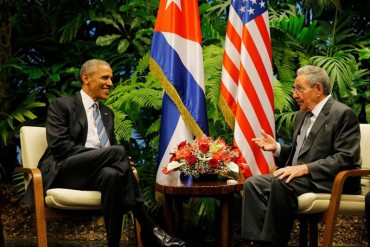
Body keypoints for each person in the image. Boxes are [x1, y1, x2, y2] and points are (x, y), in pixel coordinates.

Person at [23, 59, 186, 247]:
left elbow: (111, 148)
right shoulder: (62, 105)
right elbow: (59, 147)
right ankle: (148, 224)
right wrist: (106, 156)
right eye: (105, 77)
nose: (110, 83)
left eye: (111, 78)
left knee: (111, 174)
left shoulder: (107, 113)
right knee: (118, 152)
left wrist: (110, 158)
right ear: (86, 78)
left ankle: (113, 244)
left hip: (97, 174)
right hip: (65, 170)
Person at [241, 65, 361, 247]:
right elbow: (302, 152)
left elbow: (345, 158)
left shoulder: (342, 114)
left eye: (299, 89)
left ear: (318, 89)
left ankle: (272, 243)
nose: (295, 95)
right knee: (253, 184)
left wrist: (305, 168)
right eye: (294, 89)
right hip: (302, 177)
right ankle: (253, 241)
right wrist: (278, 148)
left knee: (281, 182)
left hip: (328, 179)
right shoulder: (302, 115)